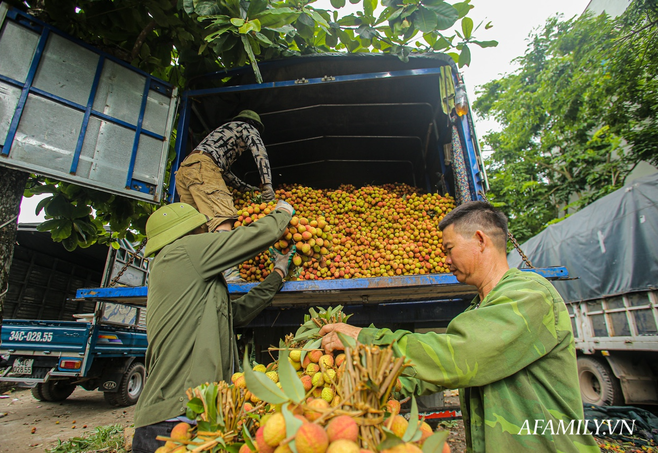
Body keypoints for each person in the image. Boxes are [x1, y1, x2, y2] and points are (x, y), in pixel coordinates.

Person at [319, 201, 600, 453]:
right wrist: (359, 379)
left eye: (449, 249)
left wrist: (364, 339)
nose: (446, 261)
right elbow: (430, 373)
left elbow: (458, 357)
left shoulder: (530, 294)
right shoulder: (476, 311)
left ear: (480, 240)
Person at [132, 201, 295, 453]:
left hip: (192, 417)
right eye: (202, 229)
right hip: (173, 420)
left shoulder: (188, 272)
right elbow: (247, 238)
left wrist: (277, 274)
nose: (206, 233)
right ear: (189, 231)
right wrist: (282, 213)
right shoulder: (182, 251)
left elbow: (235, 315)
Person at [175, 110, 274, 282]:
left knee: (197, 227)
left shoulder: (222, 136)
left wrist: (248, 189)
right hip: (202, 167)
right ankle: (229, 272)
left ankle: (194, 276)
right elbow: (260, 153)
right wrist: (267, 184)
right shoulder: (247, 128)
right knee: (222, 217)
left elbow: (225, 174)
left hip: (185, 171)